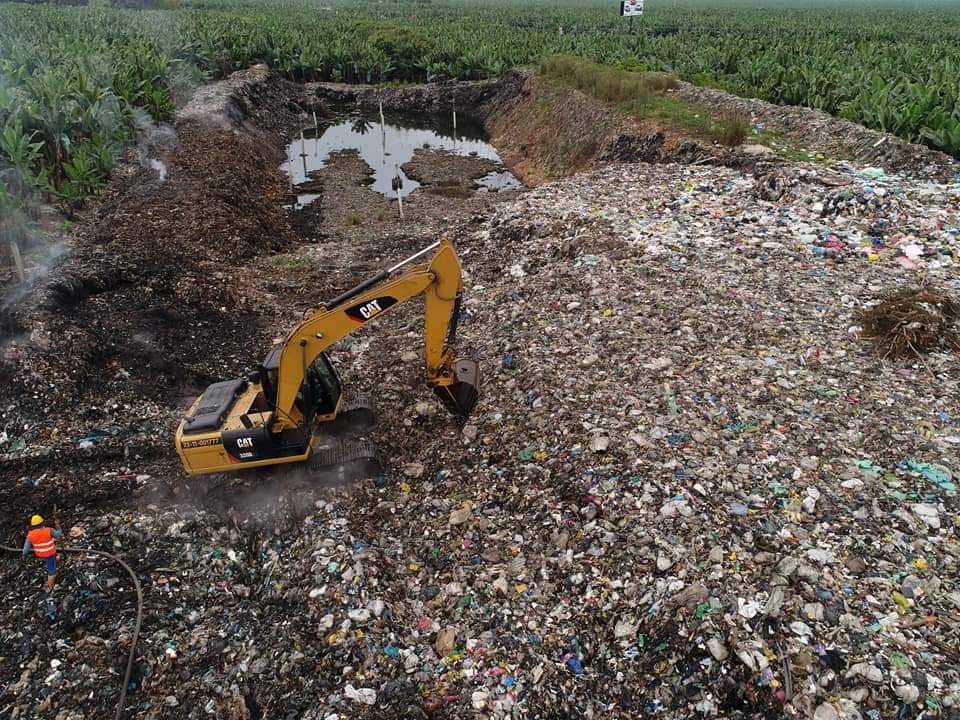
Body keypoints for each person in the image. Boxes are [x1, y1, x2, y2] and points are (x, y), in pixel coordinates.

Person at [23, 514, 63, 592]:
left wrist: (23, 555)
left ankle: (51, 576)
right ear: (42, 523)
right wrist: (58, 526)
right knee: (52, 571)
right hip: (50, 553)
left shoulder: (30, 535)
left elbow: (26, 549)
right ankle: (50, 587)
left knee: (50, 563)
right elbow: (58, 534)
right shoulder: (49, 530)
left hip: (40, 554)